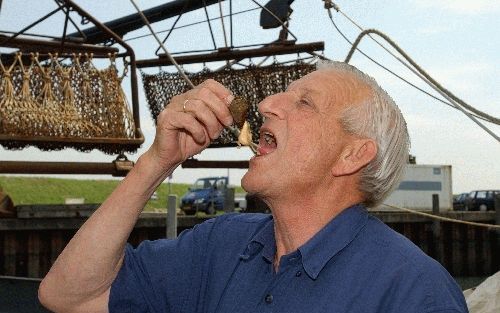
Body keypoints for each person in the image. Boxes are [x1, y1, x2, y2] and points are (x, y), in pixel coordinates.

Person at [38, 60, 468, 313]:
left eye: (304, 102)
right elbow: (68, 296)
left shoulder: (414, 292)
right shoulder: (218, 245)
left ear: (352, 156)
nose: (265, 105)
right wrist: (157, 161)